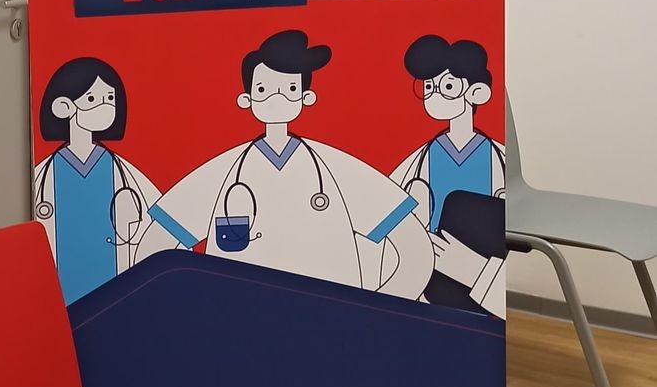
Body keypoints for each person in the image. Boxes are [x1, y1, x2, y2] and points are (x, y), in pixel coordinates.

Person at [135, 28, 434, 299]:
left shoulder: (335, 169)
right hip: (240, 320)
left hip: (328, 323)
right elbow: (154, 246)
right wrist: (197, 309)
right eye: (263, 89)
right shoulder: (223, 173)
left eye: (289, 88)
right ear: (246, 99)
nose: (276, 98)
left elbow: (415, 249)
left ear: (306, 97)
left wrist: (374, 313)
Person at [390, 34, 506, 315]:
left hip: (478, 267)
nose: (434, 96)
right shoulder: (420, 160)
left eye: (448, 87)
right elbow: (389, 212)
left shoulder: (498, 158)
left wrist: (475, 268)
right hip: (428, 272)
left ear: (477, 92)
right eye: (429, 87)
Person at [32, 57, 160, 306]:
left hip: (115, 293)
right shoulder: (44, 175)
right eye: (92, 99)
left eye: (110, 98)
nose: (105, 107)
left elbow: (157, 224)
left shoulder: (123, 173)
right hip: (59, 296)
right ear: (64, 107)